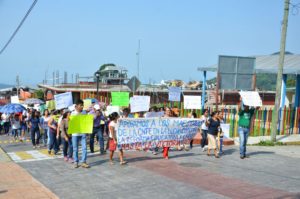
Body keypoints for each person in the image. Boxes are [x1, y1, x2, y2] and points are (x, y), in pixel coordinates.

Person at [71, 99, 90, 168]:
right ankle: (76, 162)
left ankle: (83, 162)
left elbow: (87, 121)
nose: (82, 107)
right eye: (81, 105)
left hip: (83, 132)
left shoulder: (84, 112)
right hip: (75, 133)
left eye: (83, 105)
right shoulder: (72, 113)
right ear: (76, 106)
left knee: (84, 148)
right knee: (75, 148)